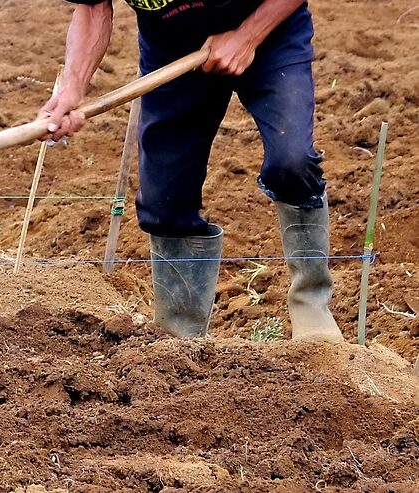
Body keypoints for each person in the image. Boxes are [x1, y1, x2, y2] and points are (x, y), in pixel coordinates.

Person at [40, 0, 344, 342]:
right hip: (174, 50)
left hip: (270, 31)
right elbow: (94, 8)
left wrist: (247, 35)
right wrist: (72, 87)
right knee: (164, 199)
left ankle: (311, 303)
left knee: (292, 161)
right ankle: (180, 337)